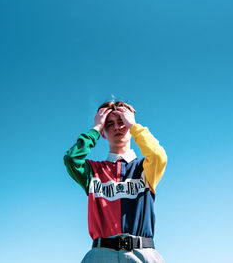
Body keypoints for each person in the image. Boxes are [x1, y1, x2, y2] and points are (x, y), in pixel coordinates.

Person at [63, 100, 167, 263]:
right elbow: (71, 160)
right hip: (100, 254)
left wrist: (134, 126)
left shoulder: (145, 168)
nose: (117, 127)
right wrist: (96, 128)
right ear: (103, 133)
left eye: (122, 122)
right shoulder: (93, 171)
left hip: (143, 254)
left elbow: (158, 156)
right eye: (109, 124)